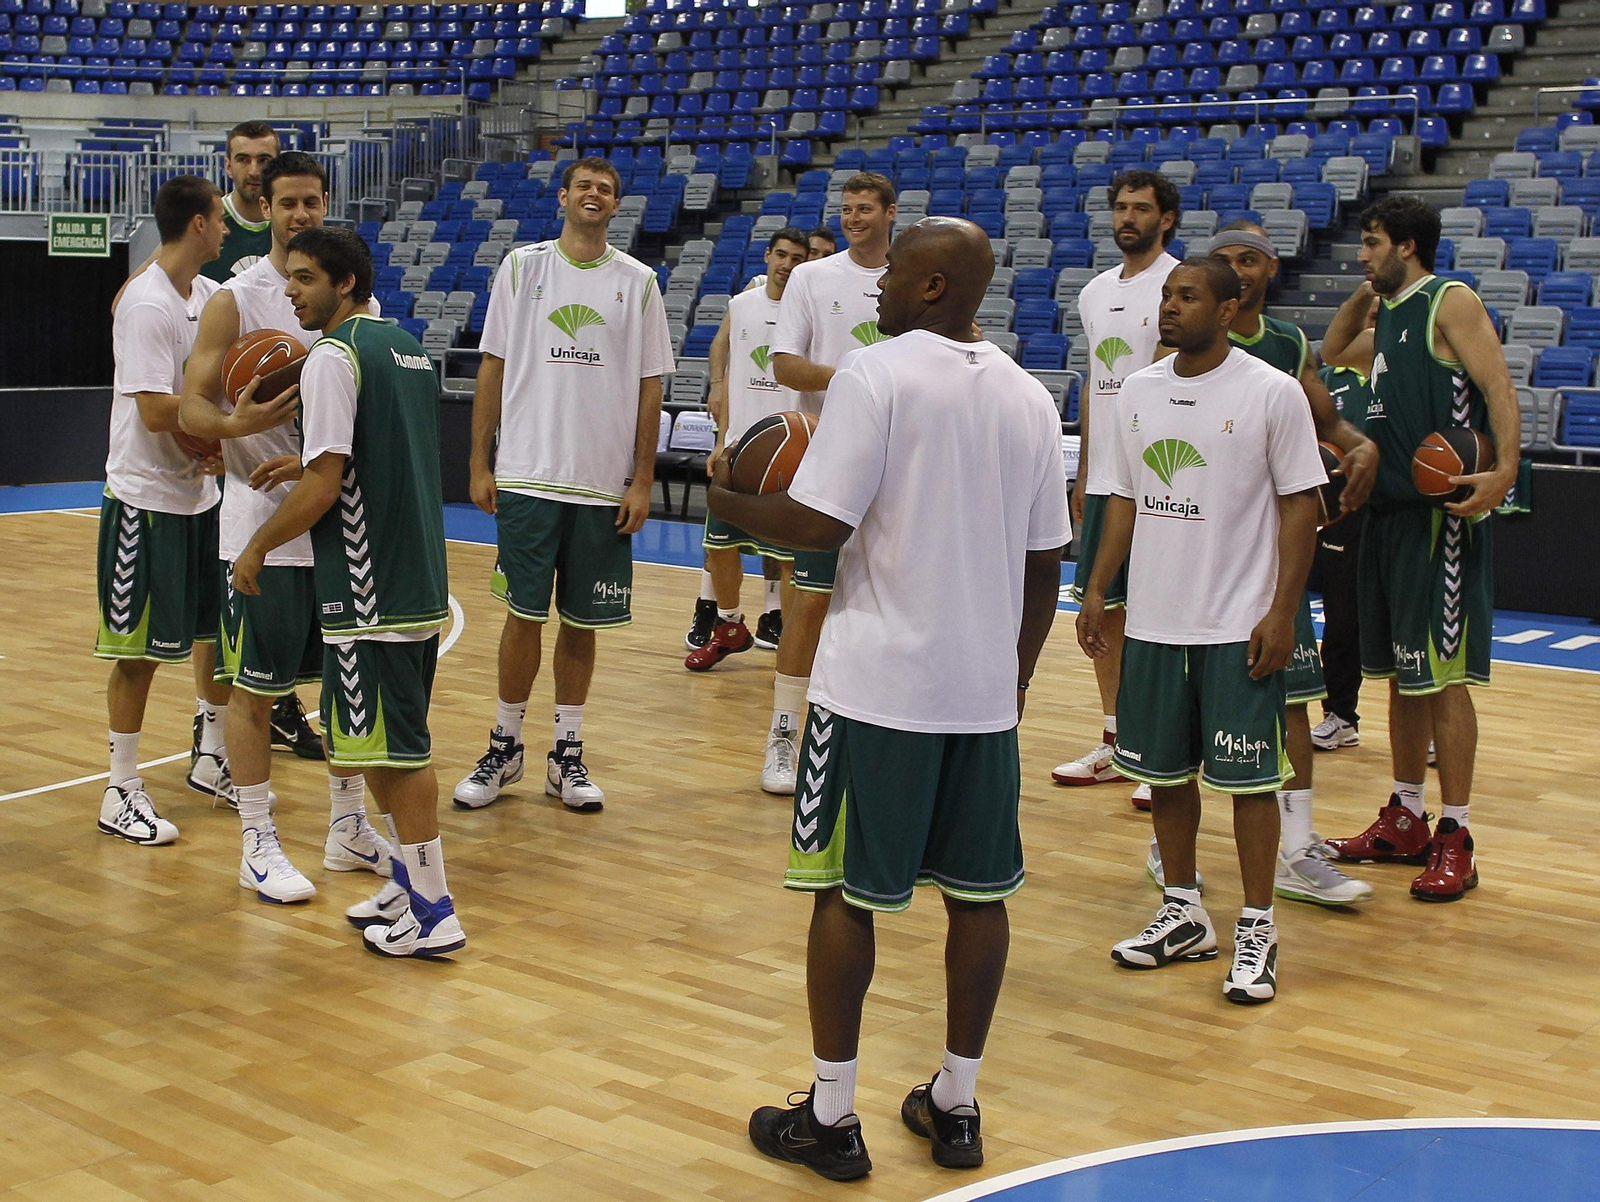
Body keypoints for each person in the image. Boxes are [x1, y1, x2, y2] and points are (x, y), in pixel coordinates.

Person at [708, 217, 1068, 1182]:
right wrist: (1019, 673)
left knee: (839, 893)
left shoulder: (877, 372)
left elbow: (818, 523)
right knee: (980, 899)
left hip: (874, 690)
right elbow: (1047, 563)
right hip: (981, 695)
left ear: (937, 286)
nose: (878, 289)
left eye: (896, 271)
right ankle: (956, 1101)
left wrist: (724, 500)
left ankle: (831, 1118)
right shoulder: (1033, 398)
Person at [1079, 257, 1326, 1004]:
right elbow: (1122, 495)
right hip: (1155, 617)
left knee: (1250, 783)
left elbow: (1300, 508)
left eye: (1187, 296)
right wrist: (1096, 587)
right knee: (1164, 776)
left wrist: (1283, 611)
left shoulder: (1271, 392)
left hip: (1236, 622)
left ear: (1230, 307)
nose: (1169, 306)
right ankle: (1184, 911)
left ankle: (1257, 925)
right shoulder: (1140, 392)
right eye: (1166, 295)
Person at [230, 226, 463, 957]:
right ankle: (403, 879)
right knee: (387, 743)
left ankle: (434, 909)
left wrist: (258, 545)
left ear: (345, 284)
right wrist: (307, 460)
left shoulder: (332, 355)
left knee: (397, 754)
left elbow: (330, 487)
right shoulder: (406, 346)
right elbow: (380, 451)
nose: (292, 291)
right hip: (419, 570)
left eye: (304, 279)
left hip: (369, 586)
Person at [179, 151, 390, 904]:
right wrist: (237, 422)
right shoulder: (235, 300)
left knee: (346, 689)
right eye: (288, 202)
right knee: (257, 694)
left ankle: (346, 827)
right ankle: (257, 842)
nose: (302, 213)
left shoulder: (344, 298)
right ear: (262, 206)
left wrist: (312, 453)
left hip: (332, 522)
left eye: (313, 201)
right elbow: (190, 408)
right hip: (259, 523)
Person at [455, 156, 674, 813]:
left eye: (605, 190)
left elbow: (650, 386)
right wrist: (478, 460)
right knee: (523, 617)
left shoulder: (638, 284)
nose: (595, 196)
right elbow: (491, 366)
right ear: (564, 197)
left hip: (601, 484)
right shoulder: (523, 268)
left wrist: (642, 479)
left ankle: (567, 756)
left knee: (582, 623)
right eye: (585, 186)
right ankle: (505, 746)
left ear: (615, 205)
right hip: (527, 471)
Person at [1319, 196, 1520, 902]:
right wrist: (1367, 286)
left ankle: (1456, 835)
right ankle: (1406, 816)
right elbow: (1334, 351)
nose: (1362, 256)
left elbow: (1497, 384)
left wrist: (1505, 471)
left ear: (1407, 245)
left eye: (1372, 245)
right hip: (1386, 515)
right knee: (1404, 677)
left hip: (1443, 518)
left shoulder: (1449, 301)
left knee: (1442, 678)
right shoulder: (1392, 314)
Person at [1206, 223, 1379, 908]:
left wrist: (1356, 444)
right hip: (1202, 553)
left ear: (1270, 269)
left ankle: (1297, 844)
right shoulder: (1182, 341)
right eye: (1225, 261)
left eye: (1248, 260)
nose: (1237, 271)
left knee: (1293, 705)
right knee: (1194, 711)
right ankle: (1174, 840)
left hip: (1271, 555)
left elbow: (1329, 419)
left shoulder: (1285, 344)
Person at [96, 175, 230, 847]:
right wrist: (213, 436)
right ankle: (120, 789)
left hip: (197, 496)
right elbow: (153, 408)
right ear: (198, 225)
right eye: (220, 217)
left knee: (214, 634)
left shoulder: (205, 297)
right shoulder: (146, 305)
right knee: (140, 651)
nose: (228, 227)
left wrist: (214, 443)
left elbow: (207, 391)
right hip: (145, 500)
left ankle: (209, 755)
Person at [757, 172, 895, 795]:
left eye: (865, 209)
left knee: (890, 603)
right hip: (828, 457)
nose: (853, 218)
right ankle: (784, 735)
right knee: (808, 601)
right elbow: (783, 363)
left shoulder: (914, 274)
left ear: (890, 213)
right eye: (846, 209)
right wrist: (855, 380)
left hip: (901, 464)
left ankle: (878, 736)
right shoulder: (813, 278)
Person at [1051, 170, 1180, 812]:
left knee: (1158, 620)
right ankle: (1118, 740)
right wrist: (1082, 473)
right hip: (1104, 478)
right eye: (1121, 207)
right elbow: (1100, 387)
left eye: (1142, 208)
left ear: (1167, 220)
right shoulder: (1096, 292)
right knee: (1105, 616)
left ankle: (1163, 753)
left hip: (1159, 479)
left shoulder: (1180, 286)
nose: (1128, 217)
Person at [683, 227, 811, 671]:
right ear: (767, 256)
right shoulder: (741, 305)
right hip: (738, 447)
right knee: (719, 546)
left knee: (791, 560)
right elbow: (733, 373)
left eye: (797, 257)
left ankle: (793, 648)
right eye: (781, 255)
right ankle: (730, 624)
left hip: (790, 453)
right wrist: (720, 441)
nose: (787, 264)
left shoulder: (808, 311)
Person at [1311, 300, 1379, 750]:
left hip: (1387, 509)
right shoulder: (1328, 379)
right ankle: (1340, 714)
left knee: (1399, 618)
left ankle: (1429, 723)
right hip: (1340, 512)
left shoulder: (1395, 375)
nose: (1369, 326)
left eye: (1378, 318)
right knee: (1340, 618)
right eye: (1365, 317)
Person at [203, 120, 280, 283]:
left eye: (264, 160)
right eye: (243, 159)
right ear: (228, 166)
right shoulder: (203, 221)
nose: (254, 171)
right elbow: (154, 274)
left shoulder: (293, 223)